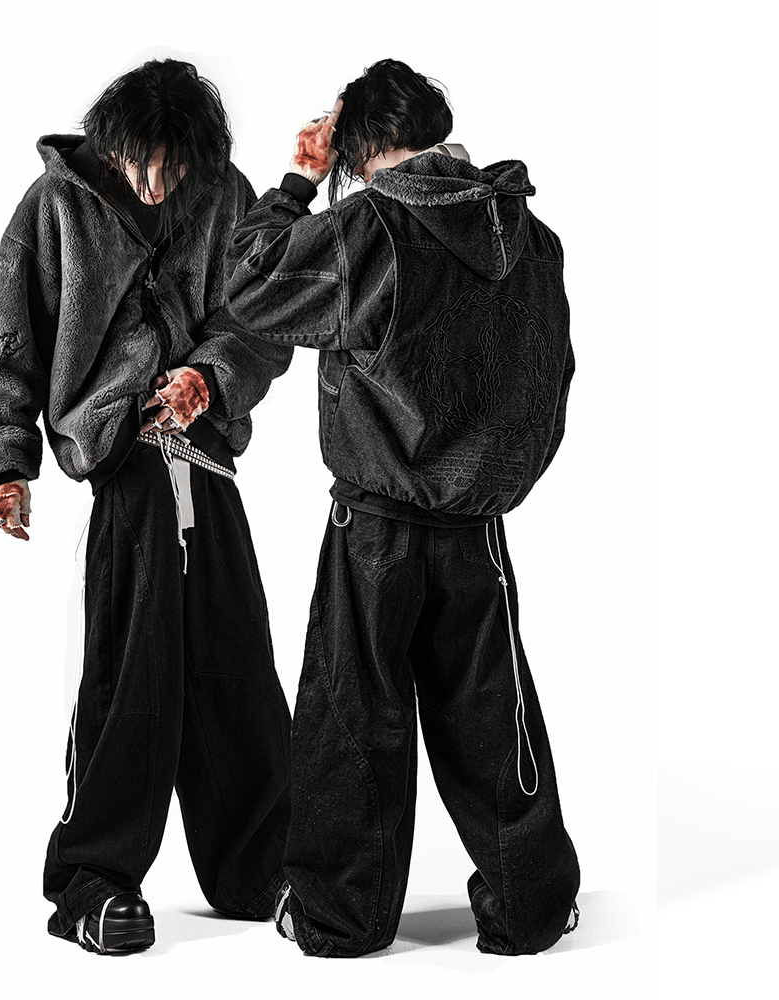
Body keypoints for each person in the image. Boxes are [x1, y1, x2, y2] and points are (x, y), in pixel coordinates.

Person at [227, 58, 579, 958]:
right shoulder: (527, 235)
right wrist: (493, 481)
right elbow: (553, 380)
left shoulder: (370, 226)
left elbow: (250, 285)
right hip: (477, 526)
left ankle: (341, 917)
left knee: (351, 719)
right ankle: (532, 906)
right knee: (492, 716)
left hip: (377, 520)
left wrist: (298, 182)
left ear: (359, 149)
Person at [0, 58, 293, 954]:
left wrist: (207, 377)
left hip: (207, 460)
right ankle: (92, 883)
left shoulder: (225, 197)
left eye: (174, 168)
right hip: (123, 468)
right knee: (130, 671)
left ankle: (261, 867)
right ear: (115, 143)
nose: (156, 184)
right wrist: (3, 464)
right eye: (144, 163)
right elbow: (7, 330)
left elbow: (261, 319)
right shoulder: (55, 207)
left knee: (238, 667)